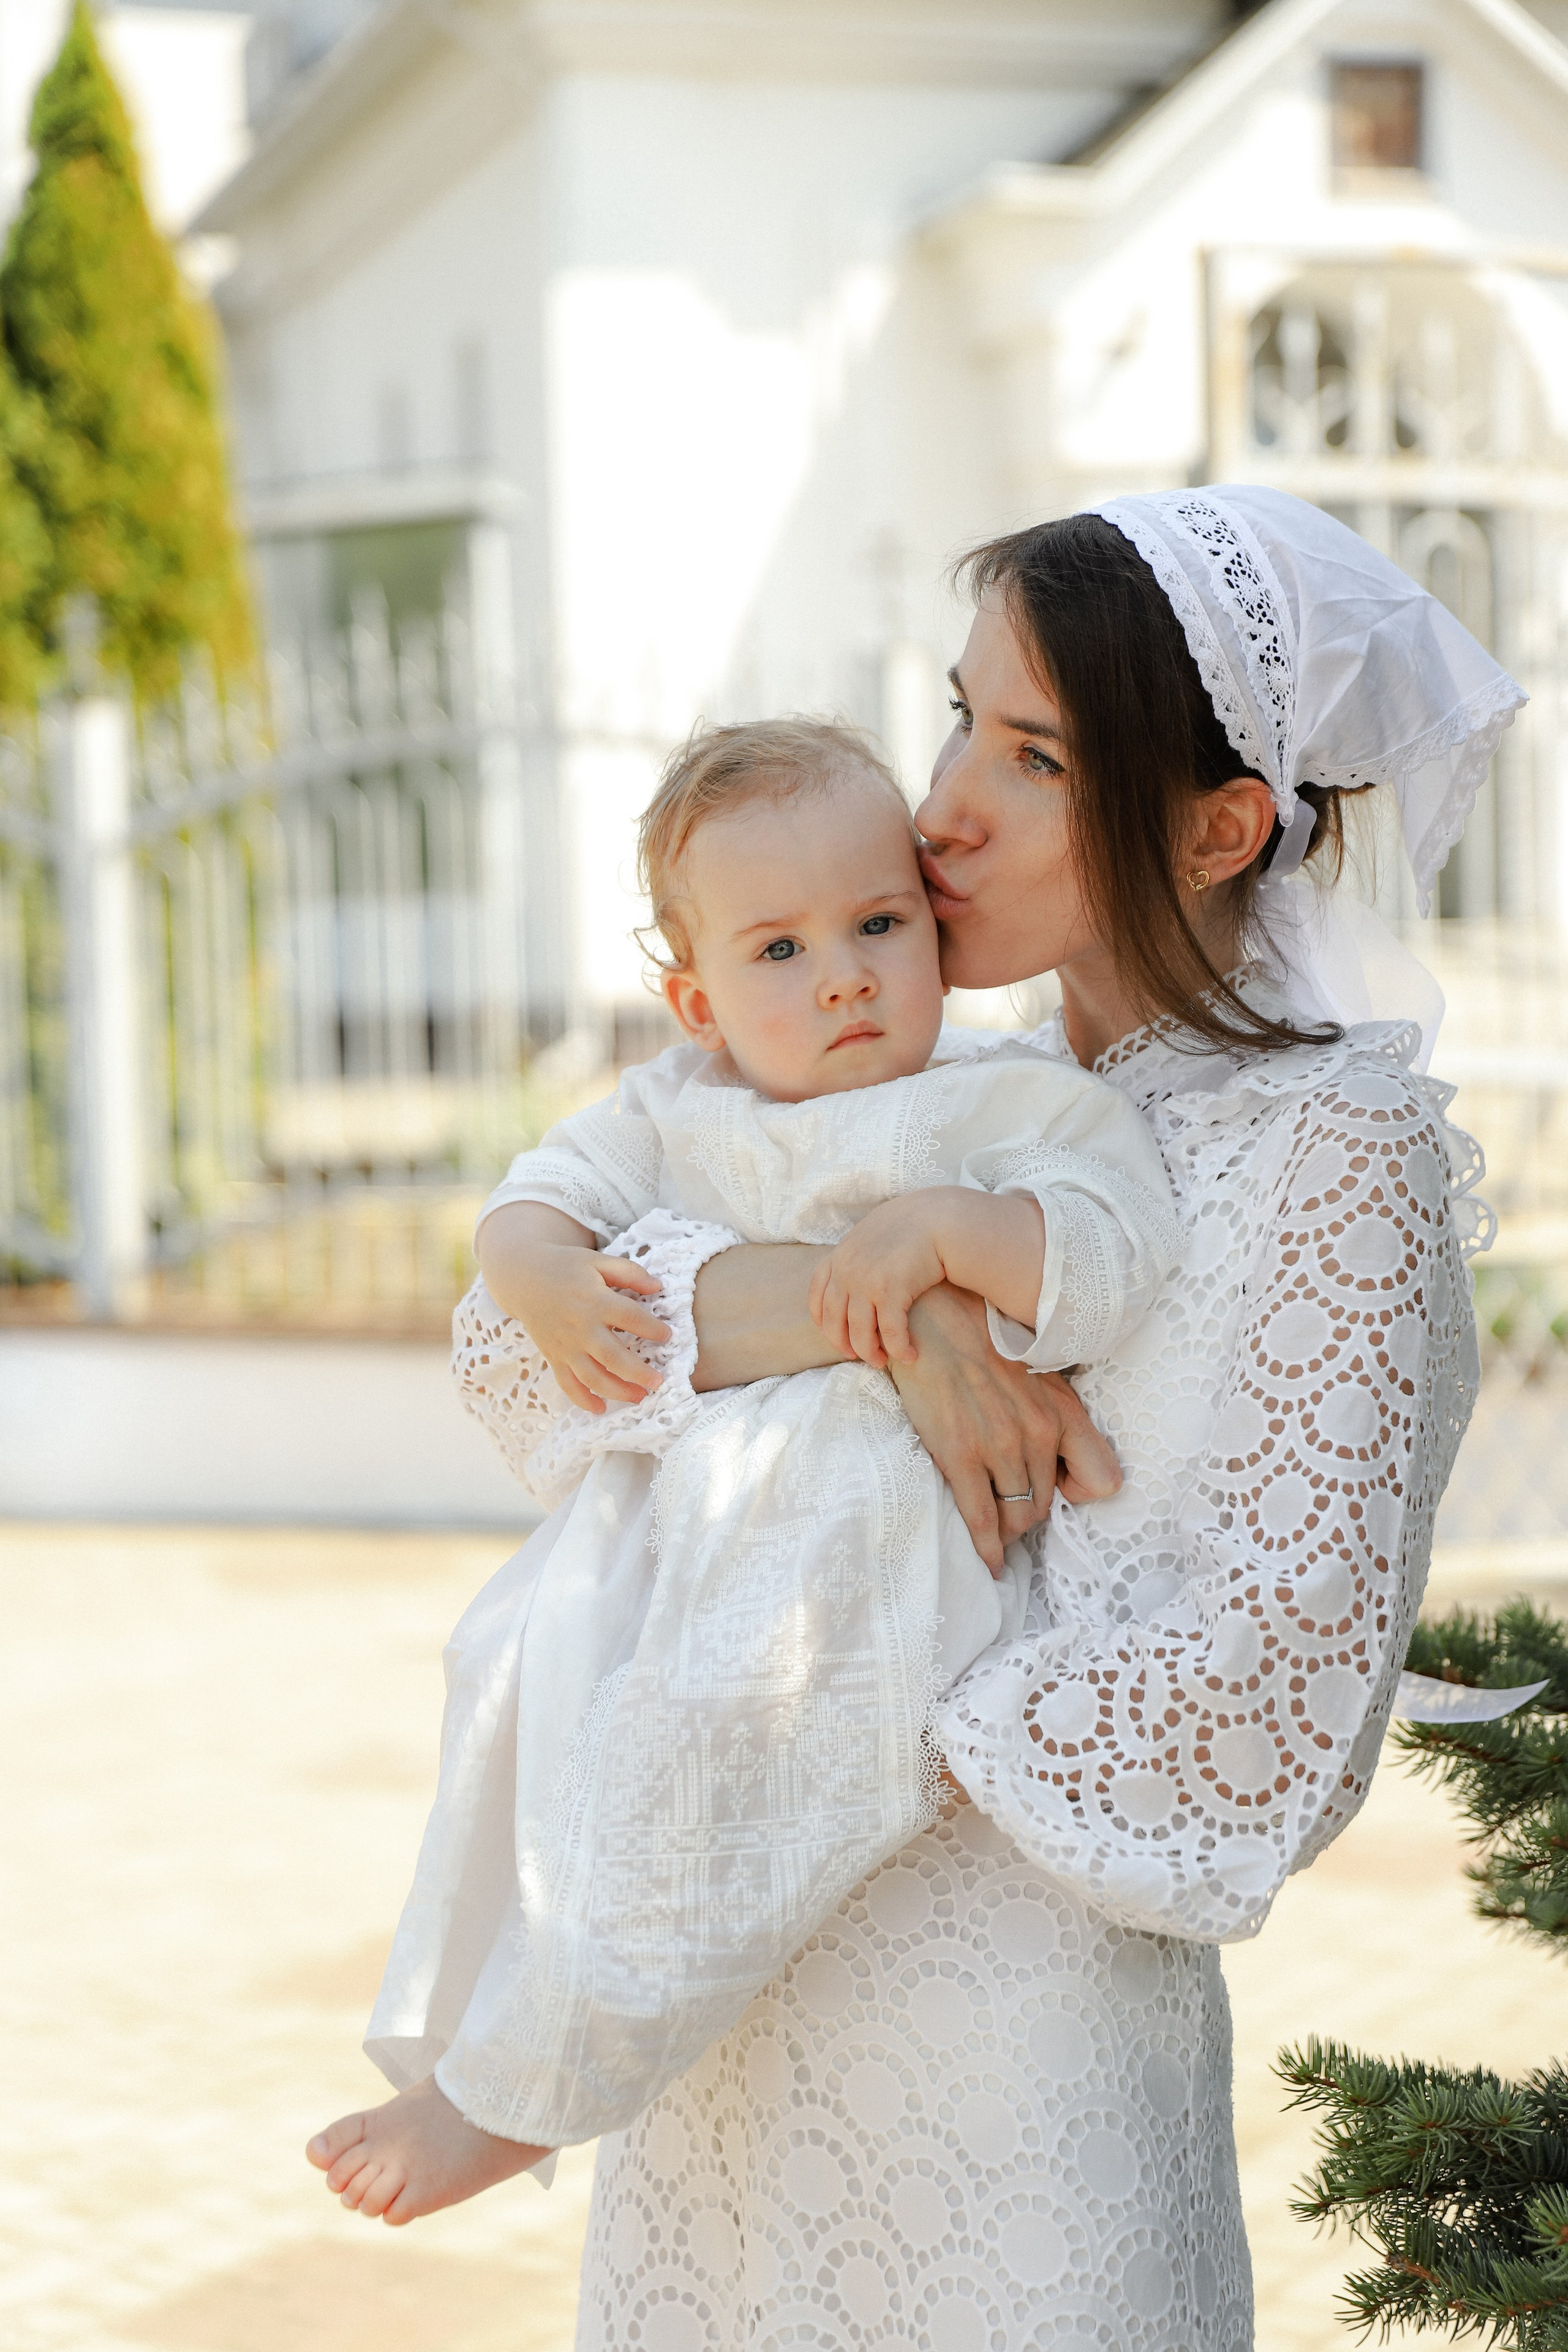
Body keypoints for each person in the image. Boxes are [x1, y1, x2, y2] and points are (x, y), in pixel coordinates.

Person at [313, 486, 1518, 2351]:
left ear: (1216, 826)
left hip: (1013, 2083)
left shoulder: (1340, 1156)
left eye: (1032, 754)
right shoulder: (942, 1071)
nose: (946, 798)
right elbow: (515, 1346)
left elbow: (1269, 1709)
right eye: (959, 711)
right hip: (711, 2051)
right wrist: (907, 1331)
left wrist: (817, 1682)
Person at [317, 714, 1181, 2194]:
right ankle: (484, 2020)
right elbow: (535, 1211)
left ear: (926, 918)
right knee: (514, 1681)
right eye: (776, 950)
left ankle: (528, 2087)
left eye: (876, 922)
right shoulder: (669, 1108)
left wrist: (947, 1234)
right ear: (693, 995)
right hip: (687, 1532)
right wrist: (531, 1265)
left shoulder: (1000, 1098)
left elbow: (1113, 1242)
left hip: (871, 1529)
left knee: (727, 1734)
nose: (842, 971)